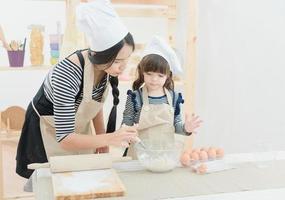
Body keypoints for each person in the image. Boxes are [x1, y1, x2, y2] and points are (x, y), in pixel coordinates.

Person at [16, 0, 138, 183]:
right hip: (47, 130)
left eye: (126, 60)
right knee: (52, 183)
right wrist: (109, 138)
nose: (123, 67)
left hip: (76, 130)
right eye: (118, 61)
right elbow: (65, 137)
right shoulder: (68, 73)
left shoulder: (105, 68)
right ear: (101, 56)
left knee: (81, 178)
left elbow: (94, 104)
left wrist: (101, 138)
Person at [122, 36, 202, 158]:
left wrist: (186, 128)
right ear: (142, 72)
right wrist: (126, 134)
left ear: (168, 76)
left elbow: (177, 126)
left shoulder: (174, 97)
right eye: (149, 74)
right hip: (140, 155)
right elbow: (126, 123)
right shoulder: (135, 96)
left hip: (165, 156)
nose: (154, 79)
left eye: (160, 76)